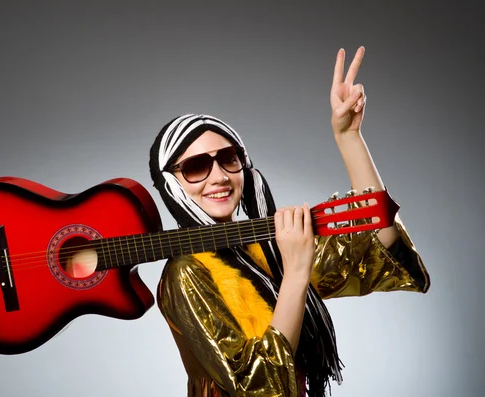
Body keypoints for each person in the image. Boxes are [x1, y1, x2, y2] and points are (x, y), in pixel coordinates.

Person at [147, 47, 430, 397]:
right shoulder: (185, 272)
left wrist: (349, 138)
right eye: (195, 167)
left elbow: (380, 241)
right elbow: (258, 385)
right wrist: (296, 275)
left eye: (228, 159)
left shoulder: (263, 247)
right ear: (172, 183)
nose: (219, 176)